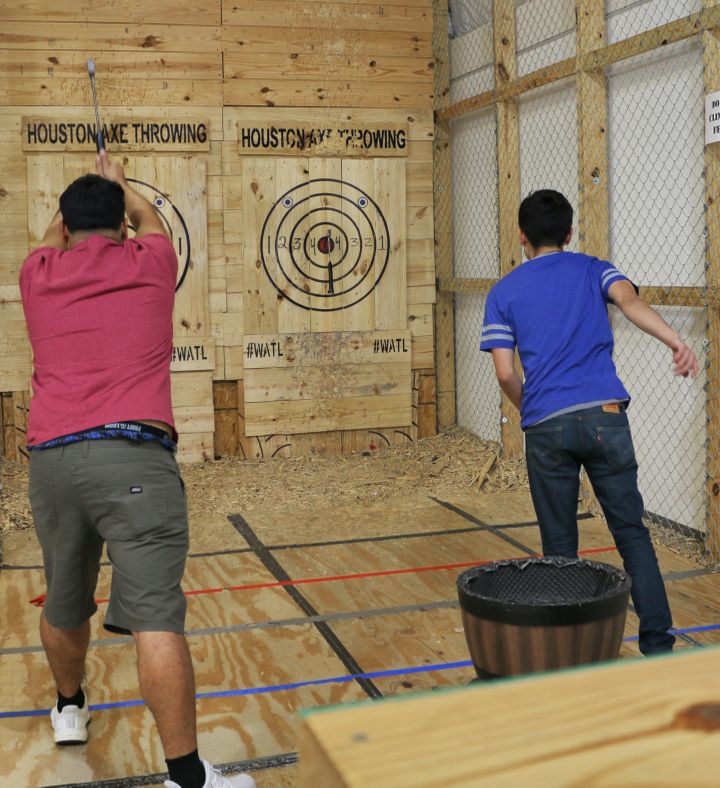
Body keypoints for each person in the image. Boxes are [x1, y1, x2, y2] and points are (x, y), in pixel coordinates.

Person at [19, 150, 254, 788]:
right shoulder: (151, 264)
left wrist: (78, 209)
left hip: (54, 465)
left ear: (65, 229)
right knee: (155, 617)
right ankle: (188, 778)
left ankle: (69, 709)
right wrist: (123, 186)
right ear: (121, 225)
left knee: (65, 600)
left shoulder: (37, 273)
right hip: (134, 462)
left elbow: (49, 237)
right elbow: (153, 222)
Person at [481, 189, 699, 656]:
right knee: (633, 535)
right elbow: (631, 304)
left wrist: (535, 410)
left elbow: (504, 372)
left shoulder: (503, 293)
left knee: (560, 551)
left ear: (522, 237)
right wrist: (675, 341)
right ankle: (658, 644)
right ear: (570, 232)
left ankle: (574, 653)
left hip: (546, 425)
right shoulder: (596, 268)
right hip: (605, 416)